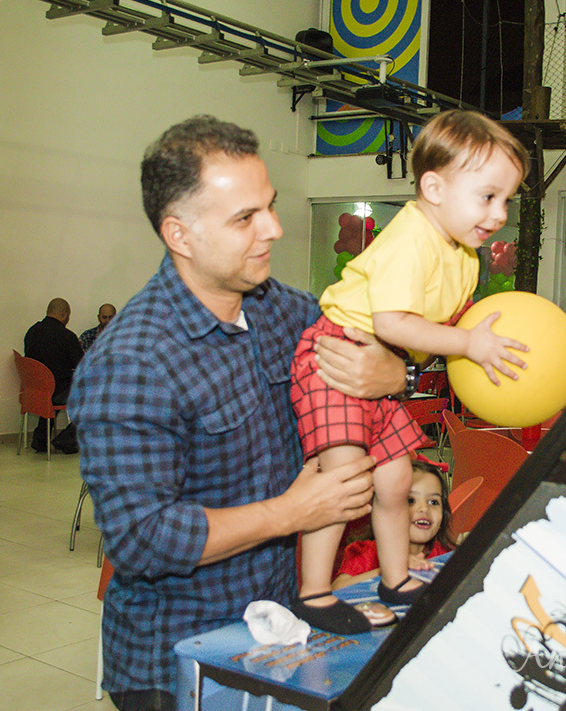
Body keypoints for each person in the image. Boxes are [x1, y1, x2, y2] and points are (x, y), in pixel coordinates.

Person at [69, 114, 410, 709]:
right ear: (180, 234)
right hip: (180, 655)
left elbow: (363, 343)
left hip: (279, 630)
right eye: (245, 218)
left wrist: (391, 368)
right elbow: (140, 537)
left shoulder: (281, 309)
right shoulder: (133, 361)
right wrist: (289, 512)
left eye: (270, 206)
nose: (274, 229)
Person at [289, 110, 529, 634]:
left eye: (507, 200)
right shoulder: (412, 236)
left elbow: (427, 327)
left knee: (396, 477)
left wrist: (472, 336)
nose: (499, 213)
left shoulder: (464, 254)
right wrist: (468, 343)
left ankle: (394, 578)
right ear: (434, 187)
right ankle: (312, 591)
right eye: (487, 196)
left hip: (379, 369)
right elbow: (393, 321)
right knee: (347, 479)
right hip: (335, 355)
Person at [332, 460, 457, 590]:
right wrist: (388, 570)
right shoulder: (368, 553)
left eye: (433, 502)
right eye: (410, 500)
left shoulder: (445, 555)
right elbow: (337, 589)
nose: (424, 509)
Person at [23, 297, 83, 452]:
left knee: (51, 384)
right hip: (56, 391)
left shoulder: (31, 332)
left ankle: (40, 439)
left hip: (36, 391)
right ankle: (67, 439)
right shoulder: (66, 336)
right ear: (64, 314)